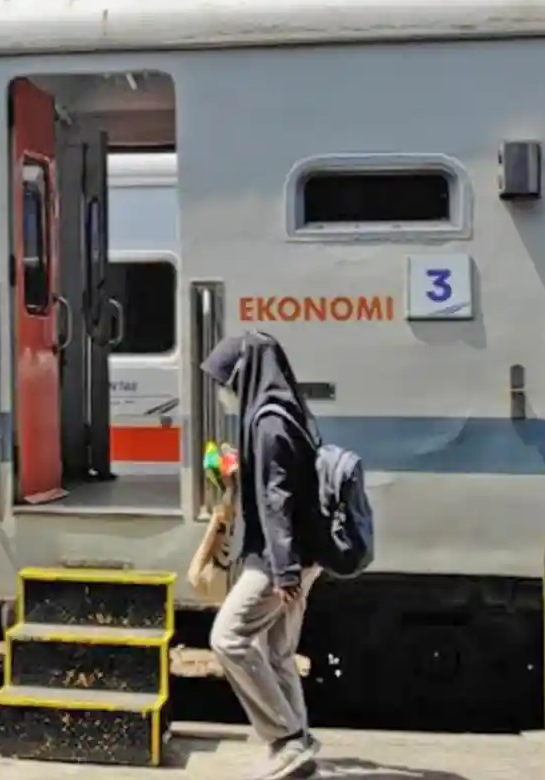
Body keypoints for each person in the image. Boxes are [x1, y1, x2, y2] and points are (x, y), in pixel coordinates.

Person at [202, 331, 324, 780]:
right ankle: (298, 748)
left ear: (244, 374)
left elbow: (278, 502)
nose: (225, 392)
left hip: (280, 560)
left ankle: (287, 739)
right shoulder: (284, 412)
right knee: (276, 652)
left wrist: (284, 571)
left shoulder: (269, 425)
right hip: (299, 555)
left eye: (226, 381)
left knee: (228, 637)